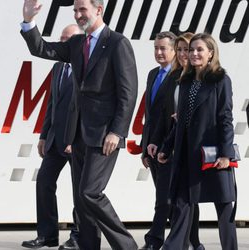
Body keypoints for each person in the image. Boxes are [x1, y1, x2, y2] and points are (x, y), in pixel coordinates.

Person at [21, 0, 138, 249]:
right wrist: (29, 22)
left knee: (89, 193)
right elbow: (42, 49)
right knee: (81, 198)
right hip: (77, 135)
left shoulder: (117, 43)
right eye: (75, 10)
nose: (78, 15)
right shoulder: (76, 43)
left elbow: (128, 93)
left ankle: (127, 245)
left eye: (82, 9)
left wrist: (117, 131)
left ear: (99, 10)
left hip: (104, 135)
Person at [157, 33, 238, 250]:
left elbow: (225, 119)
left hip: (212, 153)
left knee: (223, 207)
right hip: (186, 154)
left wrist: (225, 153)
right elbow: (181, 121)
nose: (193, 53)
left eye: (199, 49)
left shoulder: (221, 80)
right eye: (191, 50)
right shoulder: (185, 81)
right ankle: (173, 247)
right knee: (182, 204)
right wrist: (167, 147)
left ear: (211, 53)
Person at [21, 24, 81, 250]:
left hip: (75, 142)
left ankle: (78, 235)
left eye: (67, 39)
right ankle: (47, 235)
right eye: (61, 38)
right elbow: (52, 103)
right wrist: (44, 135)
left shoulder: (86, 68)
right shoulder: (58, 68)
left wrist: (75, 139)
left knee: (80, 191)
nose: (62, 43)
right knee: (44, 182)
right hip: (55, 140)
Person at [148, 33, 205, 250]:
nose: (183, 54)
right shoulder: (174, 78)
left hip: (192, 146)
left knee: (187, 197)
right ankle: (182, 242)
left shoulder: (202, 78)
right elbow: (163, 115)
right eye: (180, 49)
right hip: (172, 144)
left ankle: (190, 242)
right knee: (171, 196)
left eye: (187, 49)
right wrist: (155, 143)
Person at [140, 31, 176, 250]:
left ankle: (154, 240)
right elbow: (150, 114)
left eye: (163, 48)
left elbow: (170, 117)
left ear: (174, 50)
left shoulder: (179, 76)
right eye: (156, 48)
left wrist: (166, 146)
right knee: (165, 197)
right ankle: (189, 239)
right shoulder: (153, 74)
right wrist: (145, 148)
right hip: (152, 148)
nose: (159, 52)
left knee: (164, 198)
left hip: (169, 147)